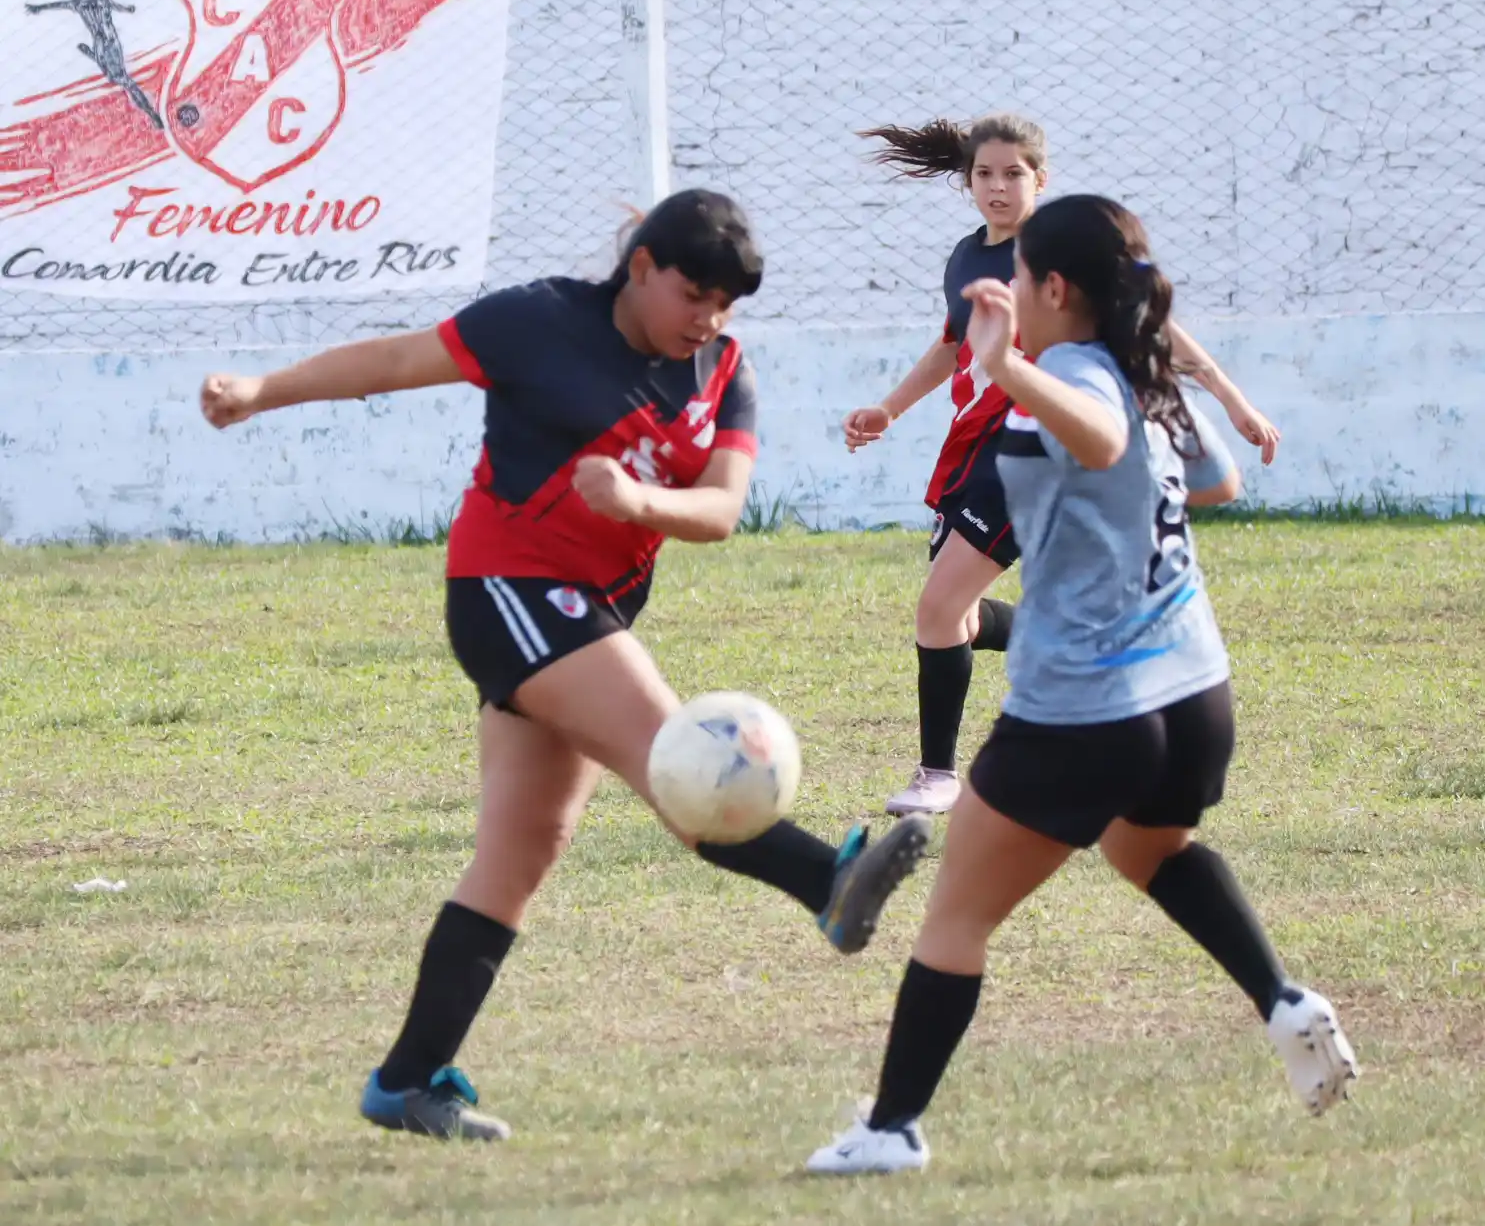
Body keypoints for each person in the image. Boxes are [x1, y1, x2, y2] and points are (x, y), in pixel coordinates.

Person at [199, 188, 932, 1142]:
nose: (708, 318)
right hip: (505, 588)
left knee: (520, 852)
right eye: (694, 294)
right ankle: (825, 883)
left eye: (725, 303)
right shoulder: (537, 321)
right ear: (640, 267)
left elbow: (719, 509)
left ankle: (405, 1079)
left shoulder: (723, 371)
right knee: (677, 752)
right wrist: (261, 390)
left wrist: (637, 502)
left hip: (591, 610)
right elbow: (394, 360)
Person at [807, 194, 1355, 1176]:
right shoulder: (1137, 371)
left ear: (1054, 290)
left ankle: (889, 1130)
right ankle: (1284, 1001)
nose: (1010, 291)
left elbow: (1098, 443)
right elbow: (1215, 478)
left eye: (1020, 277)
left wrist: (1007, 367)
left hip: (1086, 707)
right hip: (1192, 691)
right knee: (1150, 851)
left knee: (956, 918)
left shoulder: (1060, 372)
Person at [845, 115, 1283, 818]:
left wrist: (1231, 399)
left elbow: (1154, 326)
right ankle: (1094, 644)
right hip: (973, 450)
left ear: (1040, 179)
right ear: (966, 182)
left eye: (1013, 173)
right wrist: (889, 408)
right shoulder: (965, 257)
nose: (997, 186)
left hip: (1034, 449)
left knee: (937, 609)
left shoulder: (1062, 253)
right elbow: (952, 345)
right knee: (953, 618)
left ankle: (937, 776)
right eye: (984, 174)